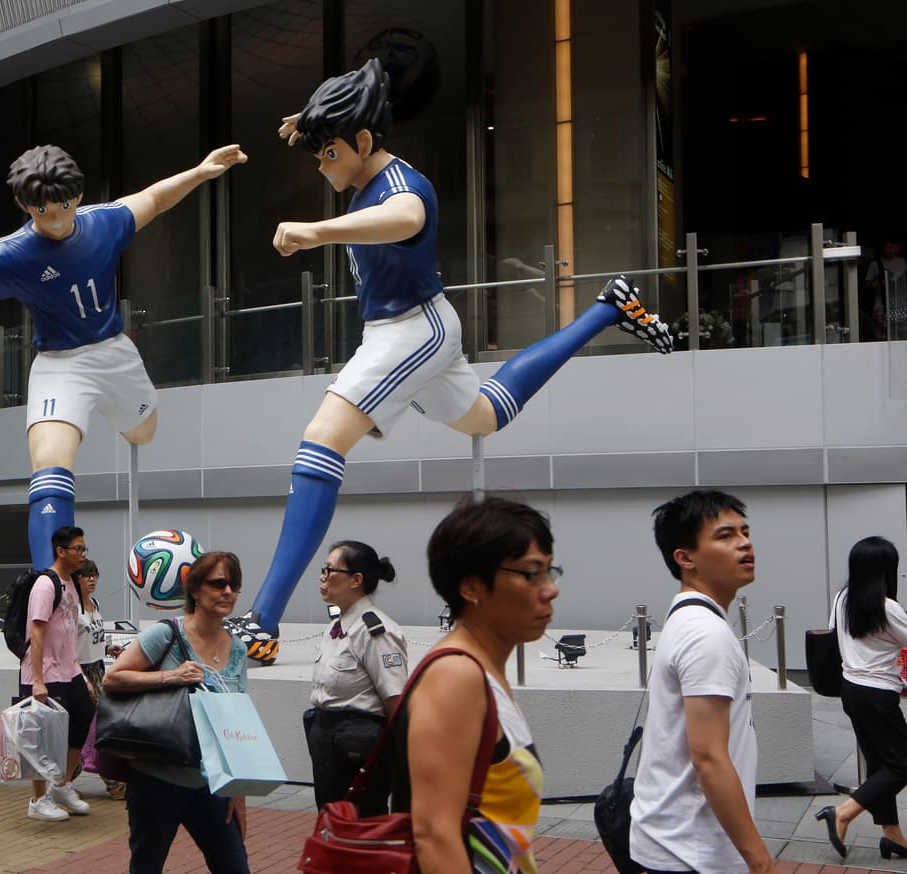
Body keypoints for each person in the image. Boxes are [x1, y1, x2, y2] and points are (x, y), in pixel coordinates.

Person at [225, 58, 673, 664]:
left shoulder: (403, 187)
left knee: (320, 442)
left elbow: (406, 217)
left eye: (328, 153)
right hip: (411, 328)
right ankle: (608, 309)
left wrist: (315, 230)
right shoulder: (361, 177)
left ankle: (262, 619)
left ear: (362, 142)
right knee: (485, 415)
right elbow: (356, 181)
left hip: (411, 330)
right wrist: (312, 123)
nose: (320, 165)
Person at [0, 143, 248, 570]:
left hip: (115, 352)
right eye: (43, 212)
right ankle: (49, 583)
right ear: (24, 205)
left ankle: (132, 417)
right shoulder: (14, 250)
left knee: (143, 432)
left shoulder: (101, 222)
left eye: (64, 207)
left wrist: (200, 171)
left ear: (78, 196)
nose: (56, 220)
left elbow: (154, 199)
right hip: (59, 364)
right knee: (49, 461)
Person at [386, 497, 557, 872]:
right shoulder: (456, 677)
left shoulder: (483, 671)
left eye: (549, 571)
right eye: (531, 573)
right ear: (472, 587)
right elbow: (435, 835)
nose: (549, 589)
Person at [629, 490, 778, 874]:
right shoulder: (705, 634)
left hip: (675, 842)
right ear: (685, 557)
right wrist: (760, 861)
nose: (744, 543)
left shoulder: (688, 618)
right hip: (689, 852)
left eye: (745, 531)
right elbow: (709, 757)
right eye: (725, 535)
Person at [104, 551, 250, 874]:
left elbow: (234, 721)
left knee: (235, 867)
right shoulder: (166, 634)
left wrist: (238, 791)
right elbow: (112, 678)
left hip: (211, 783)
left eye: (234, 585)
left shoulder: (238, 649)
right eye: (219, 583)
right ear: (195, 590)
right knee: (147, 866)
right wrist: (171, 676)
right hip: (157, 777)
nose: (228, 592)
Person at [815, 536, 907, 860]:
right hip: (878, 696)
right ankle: (843, 813)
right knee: (902, 765)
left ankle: (893, 837)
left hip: (851, 690)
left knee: (881, 765)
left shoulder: (843, 599)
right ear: (886, 571)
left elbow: (833, 636)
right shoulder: (888, 608)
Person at [306, 539, 406, 815]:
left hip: (358, 748)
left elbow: (395, 701)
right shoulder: (335, 628)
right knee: (332, 824)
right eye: (323, 570)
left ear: (356, 580)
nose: (323, 578)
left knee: (363, 828)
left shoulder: (376, 631)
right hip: (327, 741)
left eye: (330, 570)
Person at [21, 525, 95, 821]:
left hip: (69, 671)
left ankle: (61, 784)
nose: (82, 554)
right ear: (60, 551)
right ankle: (38, 800)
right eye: (78, 549)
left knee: (84, 721)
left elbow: (69, 634)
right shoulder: (45, 584)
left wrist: (82, 675)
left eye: (84, 549)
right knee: (42, 738)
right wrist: (37, 680)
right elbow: (36, 633)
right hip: (44, 673)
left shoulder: (72, 585)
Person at [73, 559, 126, 799]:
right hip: (80, 672)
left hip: (98, 670)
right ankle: (111, 781)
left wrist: (108, 648)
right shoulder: (72, 608)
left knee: (102, 725)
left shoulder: (94, 603)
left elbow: (92, 639)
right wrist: (82, 678)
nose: (92, 579)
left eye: (95, 575)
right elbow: (68, 646)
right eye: (86, 575)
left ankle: (71, 777)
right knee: (93, 727)